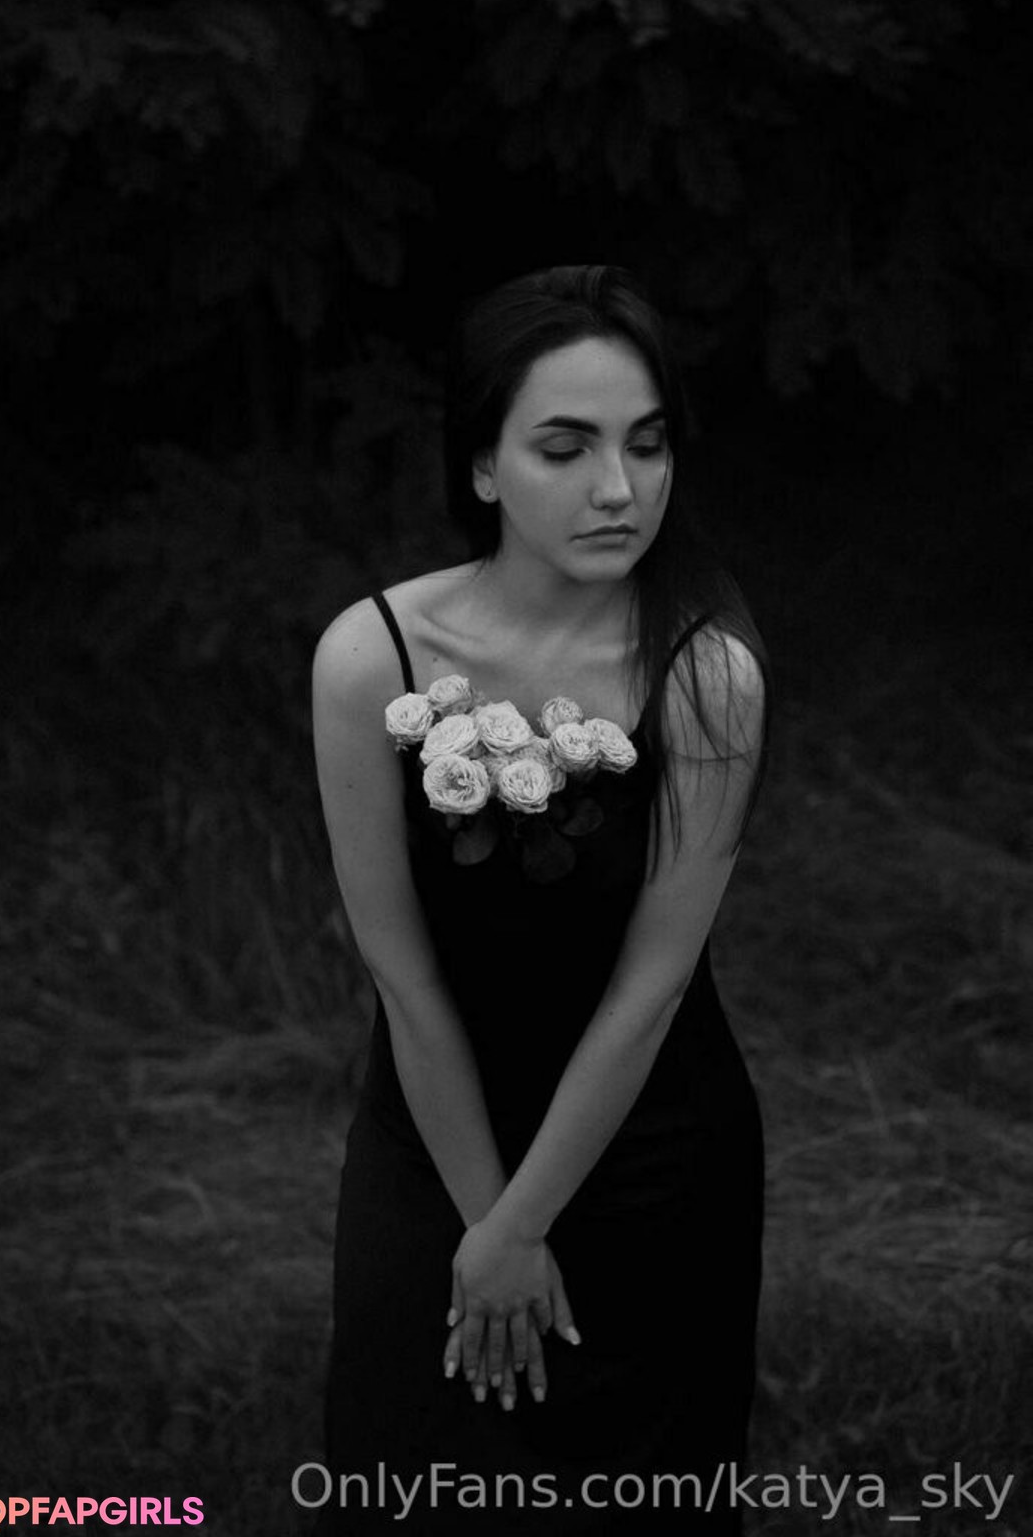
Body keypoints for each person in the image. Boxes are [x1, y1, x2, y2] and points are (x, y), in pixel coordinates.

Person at [309, 264, 769, 1534]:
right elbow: (401, 971)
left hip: (651, 1158)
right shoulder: (371, 659)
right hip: (430, 1139)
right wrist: (485, 1223)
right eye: (566, 448)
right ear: (483, 466)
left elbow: (653, 987)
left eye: (647, 444)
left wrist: (524, 1223)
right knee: (406, 1479)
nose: (620, 489)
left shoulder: (707, 675)